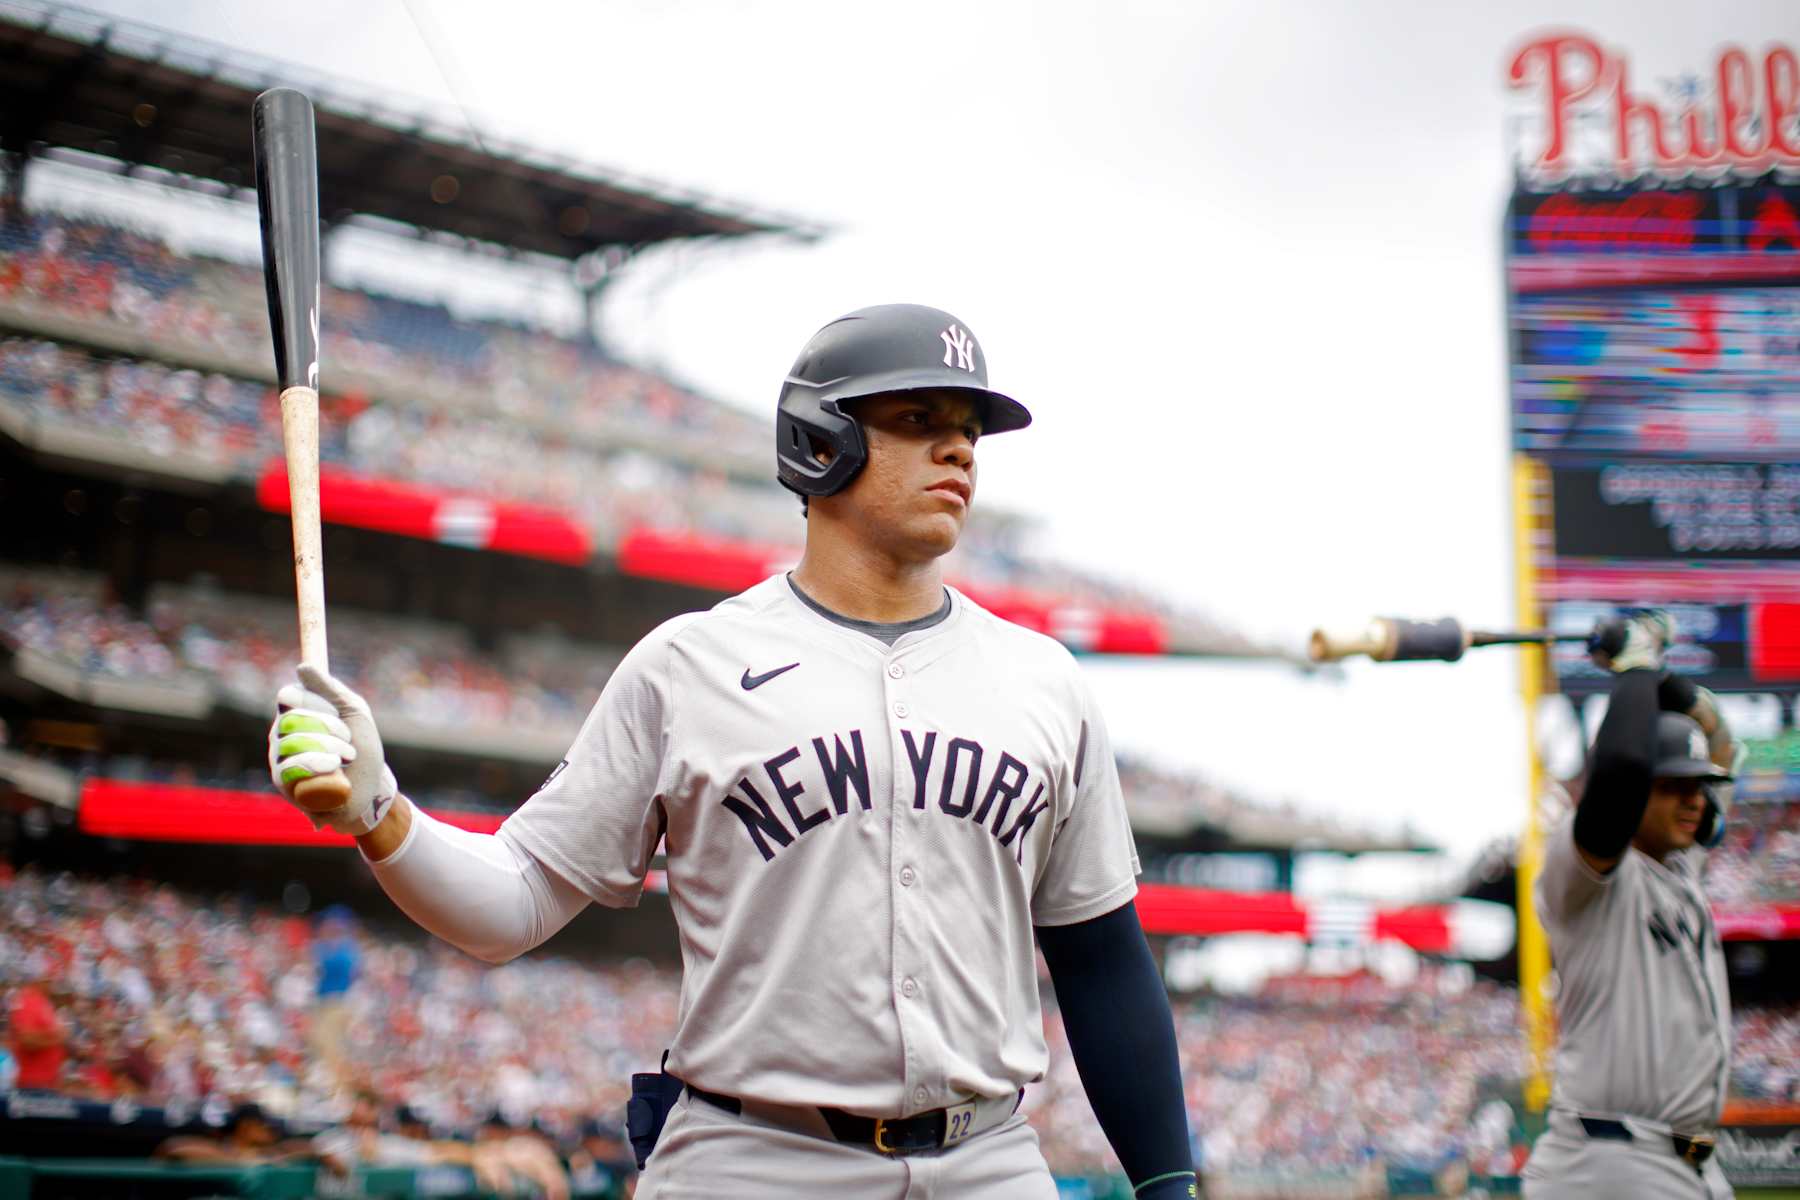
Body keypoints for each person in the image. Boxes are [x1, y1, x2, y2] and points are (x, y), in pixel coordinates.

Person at [267, 304, 1197, 1198]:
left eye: (970, 430)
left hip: (989, 1158)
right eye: (919, 419)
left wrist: (1168, 1185)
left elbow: (1103, 960)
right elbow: (510, 905)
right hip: (751, 1157)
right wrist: (379, 814)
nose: (958, 448)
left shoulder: (1044, 681)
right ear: (820, 440)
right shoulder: (688, 665)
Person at [1523, 614, 1743, 1200]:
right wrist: (1636, 670)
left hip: (1685, 1165)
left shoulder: (1678, 868)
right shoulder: (1588, 877)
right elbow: (1618, 772)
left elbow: (1725, 747)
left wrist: (1669, 686)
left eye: (1698, 787)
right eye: (1674, 785)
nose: (1694, 800)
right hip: (1610, 1164)